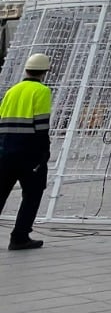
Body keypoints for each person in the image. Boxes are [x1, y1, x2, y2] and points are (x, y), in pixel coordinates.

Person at [0, 53, 53, 251]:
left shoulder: (11, 91)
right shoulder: (41, 91)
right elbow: (41, 126)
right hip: (28, 154)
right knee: (32, 193)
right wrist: (43, 153)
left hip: (6, 152)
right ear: (45, 72)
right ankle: (20, 236)